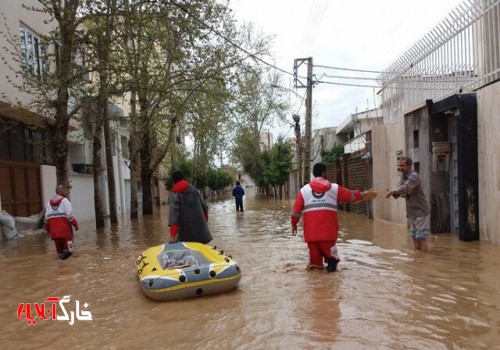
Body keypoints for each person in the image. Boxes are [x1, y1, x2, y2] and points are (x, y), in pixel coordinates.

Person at [291, 163, 369, 272]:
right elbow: (350, 195)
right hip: (328, 235)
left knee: (315, 267)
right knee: (332, 260)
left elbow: (295, 212)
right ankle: (331, 285)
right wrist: (362, 194)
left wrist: (294, 225)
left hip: (311, 236)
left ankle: (317, 287)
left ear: (313, 174)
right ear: (324, 173)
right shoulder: (333, 188)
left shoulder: (304, 191)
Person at [386, 156, 430, 252]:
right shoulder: (403, 177)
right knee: (414, 236)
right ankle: (418, 259)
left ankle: (425, 261)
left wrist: (395, 191)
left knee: (421, 237)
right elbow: (401, 190)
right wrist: (398, 192)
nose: (401, 168)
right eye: (400, 166)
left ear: (409, 166)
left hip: (420, 211)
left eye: (403, 166)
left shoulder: (414, 176)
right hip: (411, 212)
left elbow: (404, 188)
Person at [168, 170, 212, 244]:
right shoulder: (194, 190)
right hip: (202, 234)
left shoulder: (175, 196)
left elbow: (173, 218)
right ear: (183, 178)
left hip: (186, 238)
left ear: (173, 181)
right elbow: (205, 208)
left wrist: (172, 237)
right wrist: (205, 223)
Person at [44, 185, 79, 260]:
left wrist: (48, 231)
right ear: (60, 191)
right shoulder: (65, 201)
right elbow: (70, 216)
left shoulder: (48, 204)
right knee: (70, 253)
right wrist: (76, 225)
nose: (68, 192)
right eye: (66, 190)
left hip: (55, 234)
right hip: (65, 233)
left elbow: (46, 219)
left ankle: (60, 269)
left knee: (60, 255)